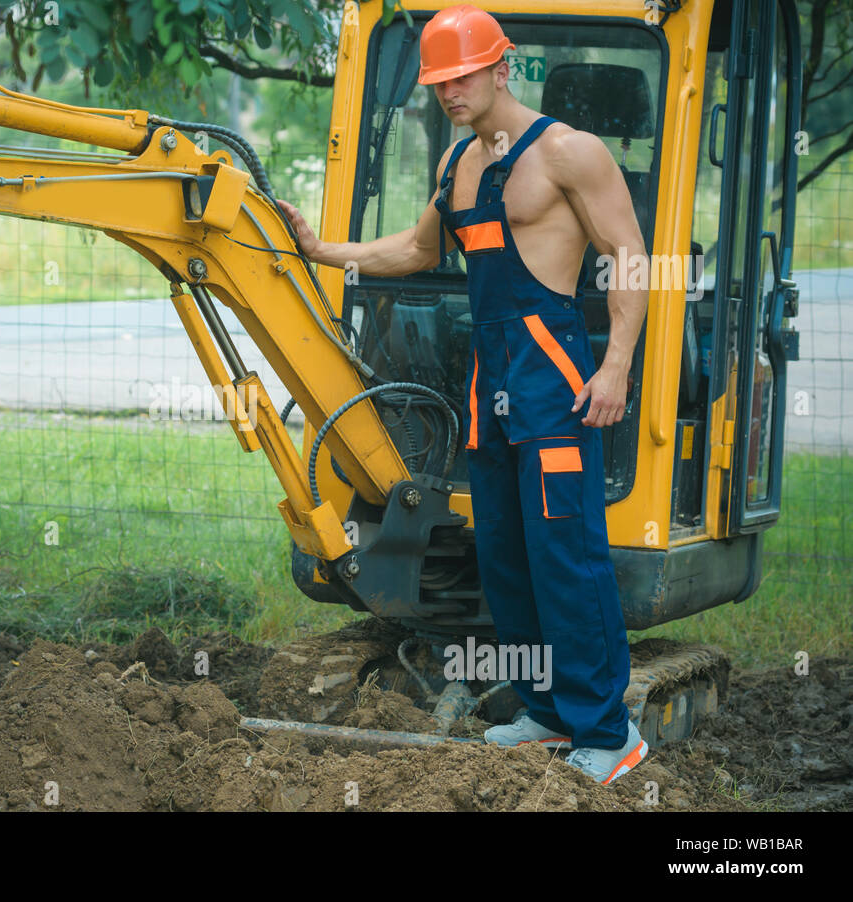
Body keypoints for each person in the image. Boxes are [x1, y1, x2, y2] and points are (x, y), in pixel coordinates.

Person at [277, 3, 650, 784]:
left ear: (501, 66)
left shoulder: (570, 154)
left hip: (554, 382)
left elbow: (629, 254)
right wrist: (321, 250)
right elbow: (414, 249)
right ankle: (548, 714)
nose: (448, 91)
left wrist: (614, 367)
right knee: (506, 558)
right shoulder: (458, 165)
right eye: (438, 81)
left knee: (566, 556)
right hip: (491, 386)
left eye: (461, 75)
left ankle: (609, 734)